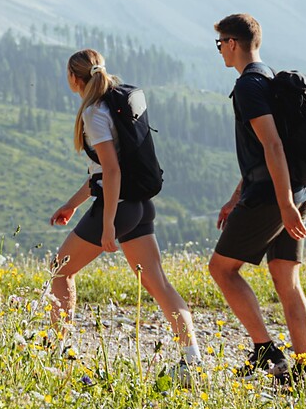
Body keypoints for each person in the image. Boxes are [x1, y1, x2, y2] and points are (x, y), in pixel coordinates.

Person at [46, 48, 205, 379]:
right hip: (139, 204)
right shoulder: (115, 105)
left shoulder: (93, 113)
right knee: (157, 282)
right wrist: (72, 205)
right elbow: (101, 175)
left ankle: (62, 354)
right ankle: (192, 360)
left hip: (117, 207)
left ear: (74, 79)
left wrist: (107, 226)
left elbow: (112, 171)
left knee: (60, 271)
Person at [208, 13, 306, 391]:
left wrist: (282, 203)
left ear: (233, 43)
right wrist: (234, 197)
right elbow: (265, 148)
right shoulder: (269, 77)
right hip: (299, 191)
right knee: (286, 278)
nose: (219, 49)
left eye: (220, 42)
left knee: (221, 269)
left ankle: (265, 351)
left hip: (274, 196)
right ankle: (304, 374)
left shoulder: (249, 87)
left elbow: (272, 146)